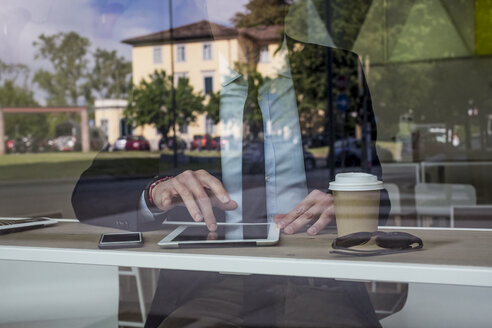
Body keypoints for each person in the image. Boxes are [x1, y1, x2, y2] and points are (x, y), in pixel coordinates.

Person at [72, 2, 389, 327]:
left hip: (321, 281)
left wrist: (347, 204)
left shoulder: (336, 69)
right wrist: (156, 192)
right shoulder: (171, 83)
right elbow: (88, 195)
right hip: (207, 289)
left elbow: (378, 195)